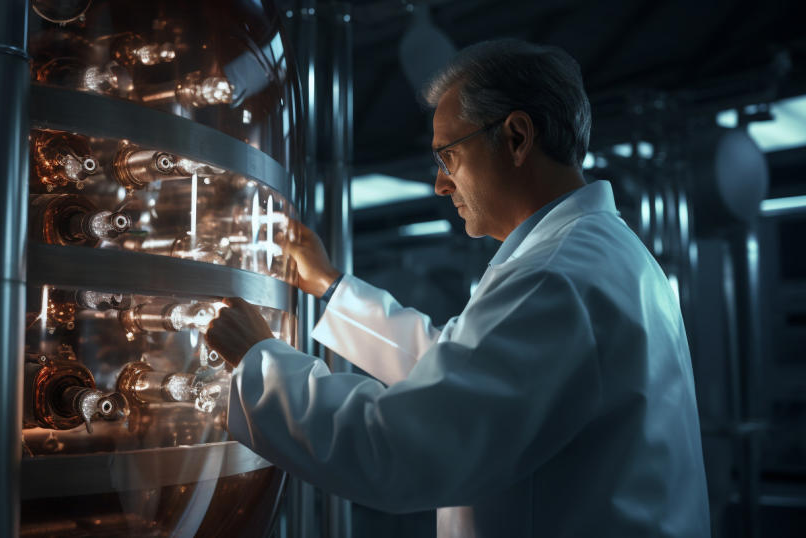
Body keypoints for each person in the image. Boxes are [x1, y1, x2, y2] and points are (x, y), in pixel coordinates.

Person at [205, 39, 710, 538]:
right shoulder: (598, 253)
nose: (440, 185)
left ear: (516, 138)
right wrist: (331, 286)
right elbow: (457, 368)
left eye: (448, 156)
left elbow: (404, 451)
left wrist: (261, 362)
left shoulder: (557, 275)